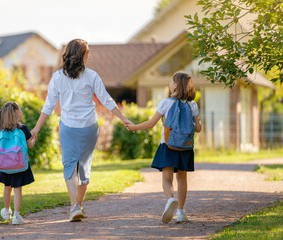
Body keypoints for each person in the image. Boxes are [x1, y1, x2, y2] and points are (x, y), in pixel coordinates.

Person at [30, 39, 131, 222]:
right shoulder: (91, 76)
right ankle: (78, 206)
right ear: (82, 55)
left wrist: (36, 129)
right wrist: (124, 119)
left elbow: (48, 105)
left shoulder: (58, 77)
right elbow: (107, 100)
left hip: (67, 127)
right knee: (84, 166)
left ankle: (75, 206)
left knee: (69, 166)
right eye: (88, 52)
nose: (89, 55)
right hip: (88, 127)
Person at [125, 72, 201, 224]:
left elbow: (151, 123)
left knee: (167, 179)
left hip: (168, 145)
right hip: (185, 148)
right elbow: (198, 128)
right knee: (182, 179)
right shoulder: (193, 105)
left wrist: (134, 127)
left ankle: (170, 199)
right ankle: (181, 212)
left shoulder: (166, 103)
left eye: (172, 82)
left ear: (175, 85)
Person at [0, 101, 37, 225]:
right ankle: (16, 216)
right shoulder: (22, 128)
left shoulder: (0, 129)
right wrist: (34, 139)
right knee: (17, 189)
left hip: (5, 165)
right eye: (20, 110)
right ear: (16, 113)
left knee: (7, 187)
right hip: (18, 164)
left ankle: (6, 211)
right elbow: (29, 146)